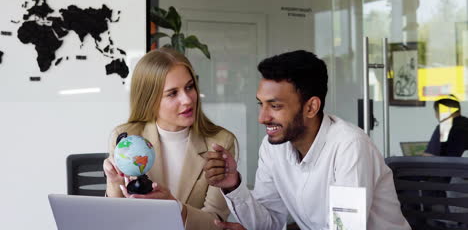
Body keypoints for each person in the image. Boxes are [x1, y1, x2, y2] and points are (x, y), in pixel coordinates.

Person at [204, 50, 411, 230]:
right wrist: (232, 184)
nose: (262, 118)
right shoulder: (272, 147)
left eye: (275, 106)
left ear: (311, 107)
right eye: (261, 104)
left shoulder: (350, 146)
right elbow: (269, 223)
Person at [103, 48, 237, 230]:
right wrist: (114, 183)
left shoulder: (220, 142)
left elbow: (217, 223)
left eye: (189, 87)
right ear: (149, 100)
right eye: (173, 93)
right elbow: (113, 221)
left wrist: (175, 208)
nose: (187, 100)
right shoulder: (126, 138)